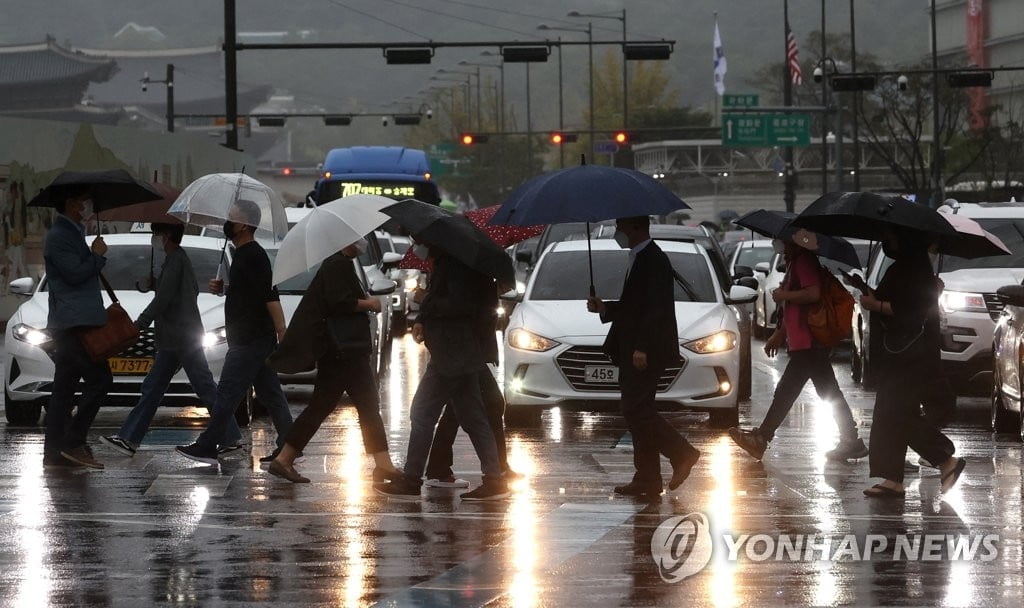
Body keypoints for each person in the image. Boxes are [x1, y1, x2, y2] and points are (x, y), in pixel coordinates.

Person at [375, 242, 509, 501]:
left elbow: (458, 306)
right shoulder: (449, 262)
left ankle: (412, 479)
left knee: (422, 413)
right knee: (473, 418)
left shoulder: (456, 265)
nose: (418, 246)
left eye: (420, 240)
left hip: (452, 353)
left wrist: (427, 301)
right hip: (458, 352)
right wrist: (422, 319)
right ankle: (494, 479)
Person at [264, 240, 403, 483]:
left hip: (341, 350)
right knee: (367, 406)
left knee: (324, 406)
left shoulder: (340, 264)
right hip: (345, 351)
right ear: (345, 240)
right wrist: (369, 304)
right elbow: (340, 303)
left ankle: (284, 459)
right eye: (357, 239)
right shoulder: (336, 265)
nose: (361, 243)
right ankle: (384, 465)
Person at [101, 223, 244, 456]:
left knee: (203, 387)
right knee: (154, 388)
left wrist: (139, 324)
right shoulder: (176, 260)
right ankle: (129, 438)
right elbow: (189, 290)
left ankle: (230, 436)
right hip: (176, 338)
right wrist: (154, 284)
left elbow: (163, 300)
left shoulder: (176, 260)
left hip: (182, 338)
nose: (154, 238)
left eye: (156, 234)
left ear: (166, 236)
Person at [587, 216, 700, 497]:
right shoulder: (638, 258)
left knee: (635, 409)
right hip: (632, 347)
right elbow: (633, 307)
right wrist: (604, 309)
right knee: (639, 411)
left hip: (646, 350)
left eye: (620, 228)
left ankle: (682, 452)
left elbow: (656, 308)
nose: (617, 233)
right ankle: (647, 478)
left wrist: (643, 347)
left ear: (636, 228)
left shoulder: (654, 259)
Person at [728, 236, 867, 462]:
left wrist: (784, 295)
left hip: (810, 342)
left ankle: (762, 438)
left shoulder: (804, 261)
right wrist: (779, 333)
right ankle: (851, 440)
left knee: (792, 391)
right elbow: (794, 308)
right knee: (817, 391)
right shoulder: (796, 262)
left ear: (792, 241)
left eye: (781, 241)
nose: (778, 246)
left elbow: (813, 294)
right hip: (804, 342)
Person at [176, 200, 294, 465]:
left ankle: (208, 444)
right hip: (249, 337)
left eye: (232, 217)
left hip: (251, 339)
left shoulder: (254, 255)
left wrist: (282, 331)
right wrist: (225, 288)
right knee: (271, 393)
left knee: (227, 392)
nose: (227, 222)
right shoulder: (240, 254)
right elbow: (249, 294)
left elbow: (269, 295)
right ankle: (289, 443)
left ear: (244, 225)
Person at [859, 227, 965, 498]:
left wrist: (876, 306)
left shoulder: (913, 269)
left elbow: (910, 309)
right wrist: (871, 294)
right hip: (903, 353)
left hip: (909, 355)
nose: (887, 242)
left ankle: (945, 460)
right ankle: (893, 478)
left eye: (892, 237)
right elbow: (899, 299)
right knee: (889, 412)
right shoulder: (911, 267)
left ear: (906, 241)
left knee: (896, 413)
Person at [423, 280, 519, 488]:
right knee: (478, 407)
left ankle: (495, 467)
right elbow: (471, 320)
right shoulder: (473, 284)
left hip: (470, 356)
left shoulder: (483, 287)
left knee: (465, 409)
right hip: (465, 356)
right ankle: (493, 471)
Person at [42, 184, 111, 468]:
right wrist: (96, 256)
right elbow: (73, 274)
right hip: (72, 323)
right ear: (71, 204)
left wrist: (92, 252)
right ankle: (73, 441)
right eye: (83, 202)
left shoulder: (71, 233)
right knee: (100, 380)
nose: (86, 207)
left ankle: (55, 452)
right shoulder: (59, 236)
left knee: (64, 388)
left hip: (74, 320)